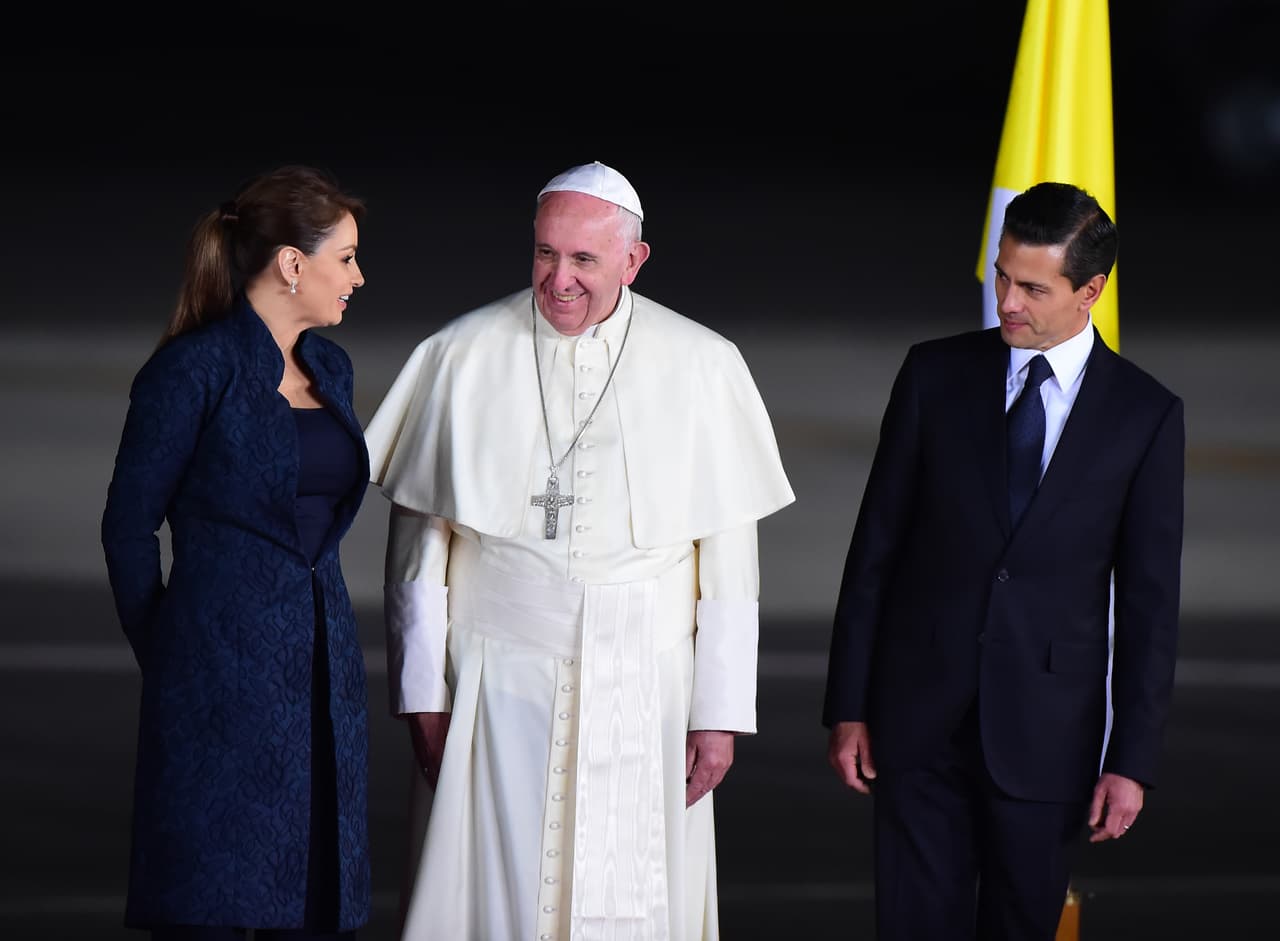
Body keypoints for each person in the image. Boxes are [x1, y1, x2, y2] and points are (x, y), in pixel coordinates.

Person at [363, 160, 795, 940]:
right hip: (497, 675)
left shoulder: (703, 363)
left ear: (634, 261)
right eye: (544, 254)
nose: (558, 279)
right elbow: (419, 546)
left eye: (584, 260)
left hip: (649, 678)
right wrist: (423, 694)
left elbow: (731, 558)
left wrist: (720, 712)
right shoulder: (462, 352)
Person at [822, 180, 1185, 940]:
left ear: (1090, 290)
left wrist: (1132, 758)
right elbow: (875, 551)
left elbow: (1151, 604)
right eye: (1000, 275)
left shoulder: (1146, 416)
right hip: (916, 725)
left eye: (1031, 286)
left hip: (1049, 740)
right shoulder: (933, 375)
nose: (1007, 301)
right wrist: (849, 703)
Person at [101, 164, 372, 940]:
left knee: (317, 894)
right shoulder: (193, 371)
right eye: (346, 257)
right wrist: (173, 647)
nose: (358, 275)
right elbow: (126, 525)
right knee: (213, 900)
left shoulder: (332, 369)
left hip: (323, 677)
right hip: (217, 683)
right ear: (293, 263)